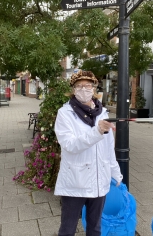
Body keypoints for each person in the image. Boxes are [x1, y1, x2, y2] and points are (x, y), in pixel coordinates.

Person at [54, 70, 123, 236]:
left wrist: (115, 172)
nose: (84, 89)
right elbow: (70, 145)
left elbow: (108, 148)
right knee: (67, 229)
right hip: (75, 181)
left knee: (95, 228)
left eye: (87, 85)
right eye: (79, 86)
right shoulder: (65, 113)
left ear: (94, 89)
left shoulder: (103, 113)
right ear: (73, 89)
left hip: (99, 180)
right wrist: (97, 131)